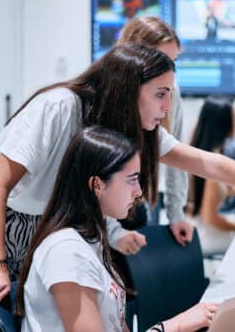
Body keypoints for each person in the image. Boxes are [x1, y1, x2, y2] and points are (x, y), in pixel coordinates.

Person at [0, 43, 235, 330]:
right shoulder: (61, 107)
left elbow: (205, 161)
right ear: (129, 89)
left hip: (40, 225)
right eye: (161, 94)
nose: (167, 106)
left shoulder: (119, 128)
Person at [15, 126, 218, 332]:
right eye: (132, 180)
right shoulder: (67, 252)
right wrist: (175, 326)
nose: (138, 192)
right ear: (97, 185)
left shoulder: (91, 241)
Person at [110, 16, 192, 256]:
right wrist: (113, 231)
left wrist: (176, 213)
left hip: (142, 199)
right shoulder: (108, 94)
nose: (169, 72)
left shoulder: (171, 93)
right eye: (162, 61)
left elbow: (181, 156)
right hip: (101, 212)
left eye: (173, 63)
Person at [186, 96, 235, 256]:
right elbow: (210, 218)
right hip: (204, 236)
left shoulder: (200, 152)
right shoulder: (213, 165)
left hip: (195, 229)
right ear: (224, 123)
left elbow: (215, 192)